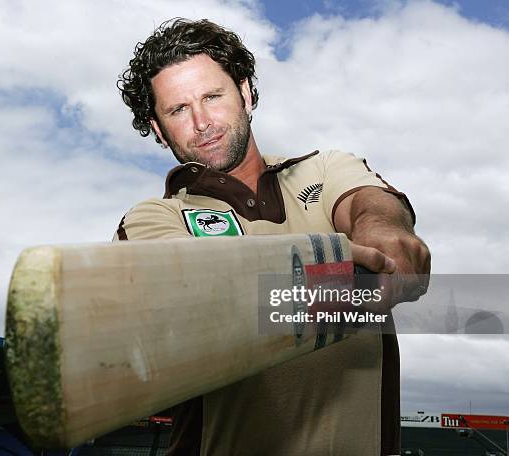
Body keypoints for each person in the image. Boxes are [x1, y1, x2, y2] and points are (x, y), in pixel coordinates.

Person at [115, 18, 430, 456]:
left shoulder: (322, 168)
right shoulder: (154, 218)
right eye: (178, 110)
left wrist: (383, 230)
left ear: (244, 92)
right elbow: (191, 297)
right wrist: (347, 279)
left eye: (212, 96)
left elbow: (367, 203)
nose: (202, 122)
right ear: (158, 127)